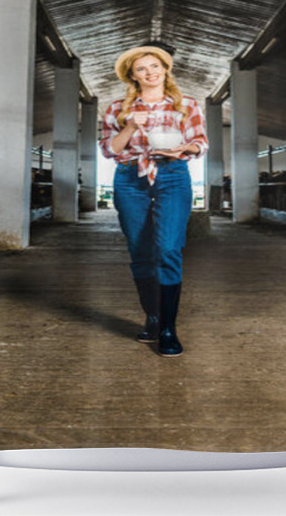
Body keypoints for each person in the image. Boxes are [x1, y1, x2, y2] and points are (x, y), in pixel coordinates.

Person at [99, 45, 208, 357]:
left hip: (172, 174)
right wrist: (131, 125)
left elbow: (201, 142)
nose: (150, 73)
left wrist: (182, 150)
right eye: (142, 69)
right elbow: (109, 149)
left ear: (165, 69)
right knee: (140, 251)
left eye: (155, 66)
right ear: (133, 76)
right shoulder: (118, 108)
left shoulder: (185, 104)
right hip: (130, 178)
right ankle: (153, 318)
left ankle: (168, 330)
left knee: (168, 249)